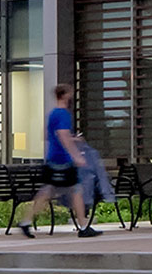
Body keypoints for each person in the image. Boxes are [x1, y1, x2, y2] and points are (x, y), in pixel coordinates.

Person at [21, 84, 107, 239]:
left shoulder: (53, 114)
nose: (71, 96)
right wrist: (76, 155)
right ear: (65, 95)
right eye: (70, 93)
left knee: (48, 191)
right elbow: (62, 135)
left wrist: (72, 139)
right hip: (63, 160)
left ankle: (26, 221)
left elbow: (48, 135)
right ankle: (83, 227)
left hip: (52, 158)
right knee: (76, 190)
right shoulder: (63, 114)